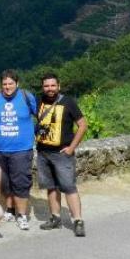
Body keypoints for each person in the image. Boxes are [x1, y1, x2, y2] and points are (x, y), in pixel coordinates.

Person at [0, 69, 38, 230]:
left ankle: (22, 215)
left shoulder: (27, 97)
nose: (7, 87)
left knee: (20, 182)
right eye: (4, 84)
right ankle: (10, 209)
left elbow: (41, 116)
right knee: (4, 183)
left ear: (17, 84)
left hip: (22, 149)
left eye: (10, 83)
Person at [35, 73, 87, 237]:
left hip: (62, 153)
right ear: (42, 87)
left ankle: (78, 221)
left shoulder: (68, 102)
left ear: (59, 86)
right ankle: (55, 218)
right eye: (46, 86)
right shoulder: (38, 102)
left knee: (69, 187)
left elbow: (82, 125)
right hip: (43, 152)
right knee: (51, 187)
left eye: (52, 85)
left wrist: (71, 148)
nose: (49, 89)